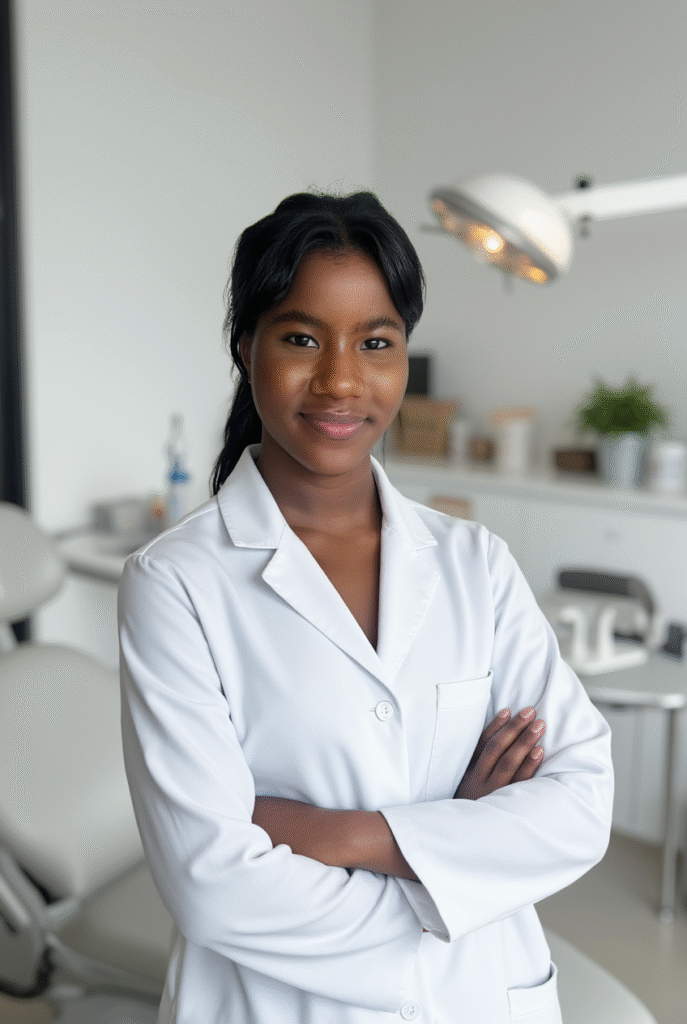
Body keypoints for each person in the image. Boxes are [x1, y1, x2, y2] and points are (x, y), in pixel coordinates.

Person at [118, 191, 614, 1024]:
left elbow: (577, 805)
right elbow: (213, 886)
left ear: (404, 355)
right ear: (247, 348)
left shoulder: (474, 564)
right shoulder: (174, 583)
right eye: (302, 337)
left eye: (375, 341)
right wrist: (455, 846)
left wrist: (353, 835)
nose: (342, 379)